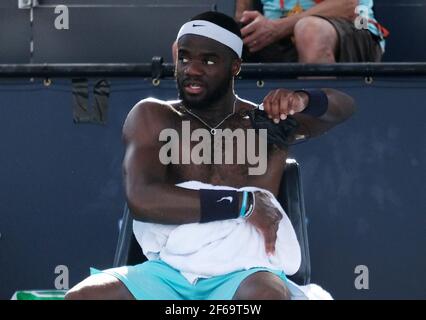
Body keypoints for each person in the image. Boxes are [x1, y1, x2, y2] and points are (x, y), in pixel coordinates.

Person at [65, 11, 356, 300]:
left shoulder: (265, 122)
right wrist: (245, 204)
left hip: (245, 274)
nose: (191, 68)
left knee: (266, 297)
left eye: (208, 60)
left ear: (235, 67)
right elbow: (142, 198)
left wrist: (304, 98)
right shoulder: (153, 116)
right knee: (82, 298)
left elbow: (344, 106)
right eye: (185, 58)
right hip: (168, 273)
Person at [235, 0, 388, 63]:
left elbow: (348, 5)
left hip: (353, 27)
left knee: (309, 31)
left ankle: (317, 125)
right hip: (277, 35)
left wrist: (277, 28)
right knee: (220, 36)